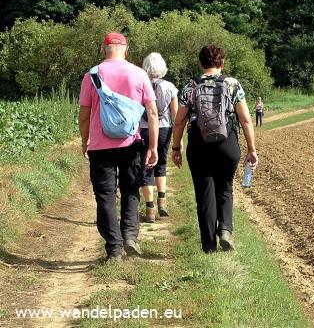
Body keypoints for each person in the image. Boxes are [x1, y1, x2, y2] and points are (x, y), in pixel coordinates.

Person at [78, 32, 159, 262]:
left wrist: (85, 141)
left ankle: (114, 248)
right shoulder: (139, 73)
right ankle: (130, 236)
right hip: (131, 143)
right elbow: (152, 112)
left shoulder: (91, 75)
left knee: (105, 195)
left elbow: (84, 115)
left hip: (100, 146)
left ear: (104, 49)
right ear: (126, 48)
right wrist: (152, 146)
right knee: (130, 189)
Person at [171, 44, 258, 252]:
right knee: (225, 187)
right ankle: (226, 230)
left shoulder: (190, 86)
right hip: (226, 143)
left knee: (204, 194)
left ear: (201, 63)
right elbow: (246, 120)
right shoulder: (232, 84)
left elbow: (179, 122)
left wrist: (175, 147)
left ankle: (209, 246)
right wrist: (252, 150)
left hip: (199, 144)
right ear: (222, 62)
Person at [139, 52, 178, 222]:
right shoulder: (170, 87)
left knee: (146, 166)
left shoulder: (140, 84)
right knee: (161, 163)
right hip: (164, 129)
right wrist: (178, 140)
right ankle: (162, 201)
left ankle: (150, 209)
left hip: (144, 129)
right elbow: (176, 115)